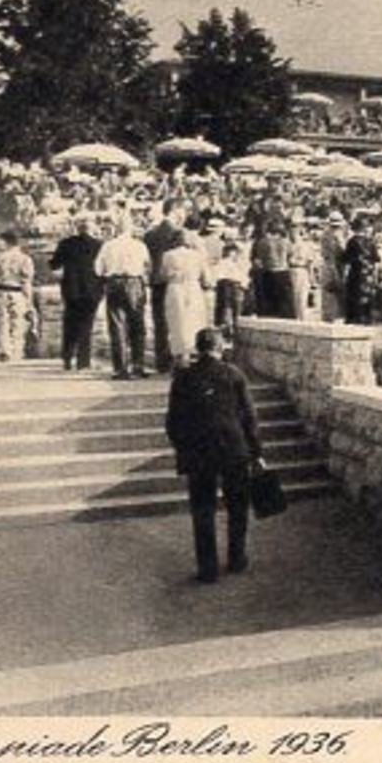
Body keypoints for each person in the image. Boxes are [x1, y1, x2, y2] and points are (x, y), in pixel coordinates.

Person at [164, 327, 264, 584]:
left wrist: (184, 449)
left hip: (199, 452)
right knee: (238, 507)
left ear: (198, 349)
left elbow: (173, 422)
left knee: (203, 511)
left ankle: (207, 568)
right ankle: (236, 558)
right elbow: (250, 418)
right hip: (233, 449)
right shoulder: (234, 375)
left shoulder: (183, 378)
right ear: (220, 348)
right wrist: (256, 452)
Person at [94, 218, 151, 380]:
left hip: (114, 282)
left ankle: (120, 368)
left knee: (117, 325)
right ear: (131, 229)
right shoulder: (139, 245)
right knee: (137, 324)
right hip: (134, 282)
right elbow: (148, 265)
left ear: (116, 229)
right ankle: (138, 365)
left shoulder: (108, 246)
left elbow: (98, 269)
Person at [49, 215, 103, 371]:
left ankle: (67, 358)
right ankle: (83, 361)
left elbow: (54, 265)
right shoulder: (99, 245)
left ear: (77, 228)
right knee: (86, 325)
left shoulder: (66, 244)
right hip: (91, 290)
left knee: (69, 323)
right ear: (92, 228)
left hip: (71, 290)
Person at [143, 201, 188, 372]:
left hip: (156, 282)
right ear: (175, 210)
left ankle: (162, 361)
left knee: (159, 322)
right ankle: (177, 360)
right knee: (177, 321)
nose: (184, 214)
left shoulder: (150, 234)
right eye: (183, 210)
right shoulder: (177, 233)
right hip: (173, 282)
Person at [162, 227, 213, 366]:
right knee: (194, 322)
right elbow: (207, 279)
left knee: (177, 323)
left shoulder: (168, 255)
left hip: (176, 287)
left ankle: (180, 356)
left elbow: (163, 275)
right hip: (193, 287)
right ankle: (194, 353)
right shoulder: (198, 256)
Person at [0, 230, 35, 364]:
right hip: (18, 292)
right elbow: (27, 281)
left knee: (2, 322)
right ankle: (16, 350)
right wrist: (29, 300)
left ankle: (4, 350)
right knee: (17, 322)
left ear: (5, 241)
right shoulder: (25, 259)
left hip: (2, 291)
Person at [249, 221, 293, 318]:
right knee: (284, 303)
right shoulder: (286, 241)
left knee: (270, 303)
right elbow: (290, 256)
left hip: (269, 272)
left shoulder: (263, 242)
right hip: (283, 271)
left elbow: (259, 258)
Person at [342, 214, 380, 325]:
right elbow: (377, 258)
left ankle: (355, 319)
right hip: (369, 273)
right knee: (368, 297)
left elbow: (345, 258)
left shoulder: (352, 241)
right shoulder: (371, 242)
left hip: (356, 273)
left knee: (354, 296)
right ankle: (368, 318)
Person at [317, 212, 348, 322]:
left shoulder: (324, 234)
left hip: (326, 263)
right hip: (335, 263)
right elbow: (343, 249)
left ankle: (327, 315)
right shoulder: (337, 235)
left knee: (326, 291)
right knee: (335, 289)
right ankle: (334, 315)